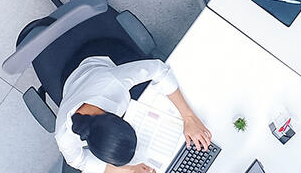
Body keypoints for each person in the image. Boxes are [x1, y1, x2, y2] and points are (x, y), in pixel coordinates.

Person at [57, 55, 211, 173]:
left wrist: (188, 117)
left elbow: (158, 69)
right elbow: (78, 161)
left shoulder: (112, 83)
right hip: (76, 84)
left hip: (101, 66)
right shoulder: (64, 137)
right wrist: (127, 170)